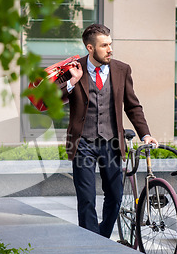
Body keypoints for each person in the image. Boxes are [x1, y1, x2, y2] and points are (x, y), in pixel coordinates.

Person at [57, 23, 158, 238]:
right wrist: (72, 82)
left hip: (111, 141)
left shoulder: (122, 69)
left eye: (110, 44)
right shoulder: (74, 68)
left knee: (115, 196)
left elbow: (132, 105)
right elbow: (53, 101)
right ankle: (90, 243)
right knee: (86, 197)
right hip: (82, 142)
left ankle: (101, 237)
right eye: (104, 46)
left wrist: (145, 134)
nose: (110, 49)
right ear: (90, 48)